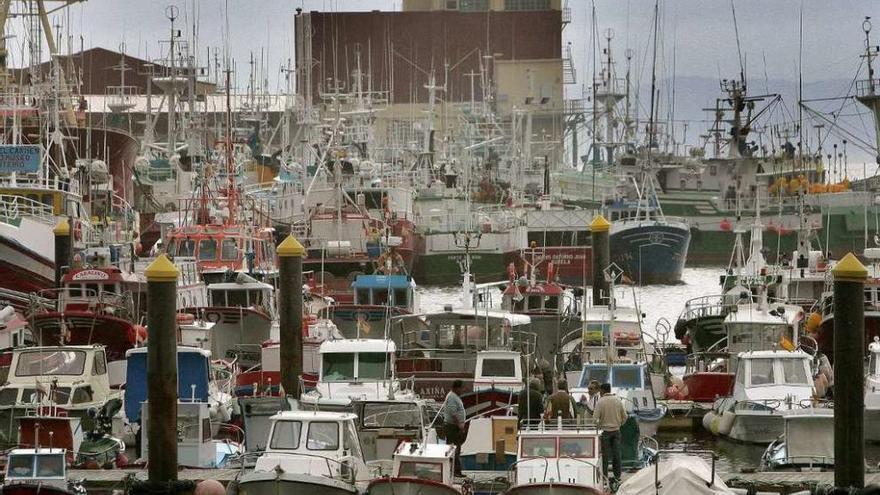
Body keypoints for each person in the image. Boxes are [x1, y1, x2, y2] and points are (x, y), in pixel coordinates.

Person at [593, 382, 628, 485]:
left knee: (604, 456)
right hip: (616, 431)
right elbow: (625, 416)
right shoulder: (618, 400)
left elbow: (594, 419)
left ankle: (604, 477)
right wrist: (620, 424)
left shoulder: (600, 402)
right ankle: (617, 477)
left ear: (602, 391)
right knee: (617, 454)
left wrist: (599, 425)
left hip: (605, 432)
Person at [442, 380, 467, 476]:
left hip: (454, 426)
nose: (463, 390)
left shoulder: (454, 397)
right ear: (457, 388)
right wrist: (459, 424)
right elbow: (453, 412)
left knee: (456, 448)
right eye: (461, 388)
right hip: (452, 427)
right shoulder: (452, 397)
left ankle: (455, 471)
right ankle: (455, 471)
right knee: (454, 449)